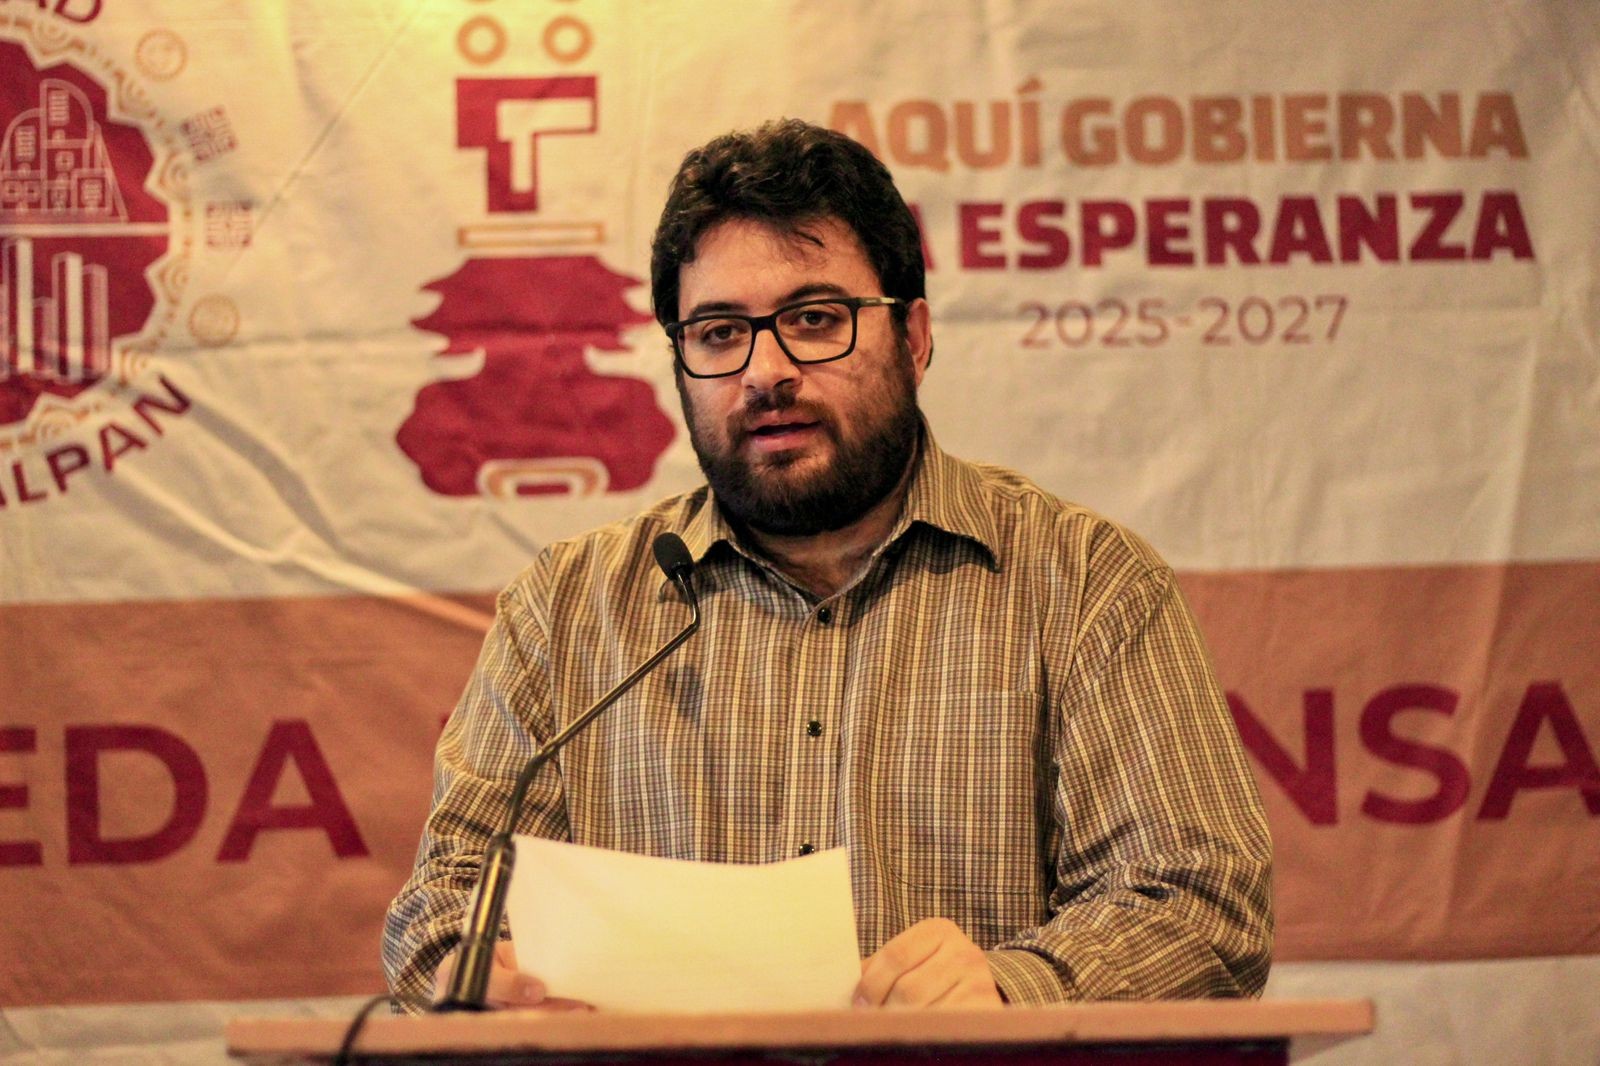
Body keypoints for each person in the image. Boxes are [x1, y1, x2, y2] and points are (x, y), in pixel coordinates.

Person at [382, 118, 1272, 1013]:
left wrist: (1012, 990)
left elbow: (1201, 903)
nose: (765, 372)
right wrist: (482, 978)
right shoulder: (569, 608)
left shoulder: (1082, 582)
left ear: (913, 337)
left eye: (814, 320)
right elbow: (441, 913)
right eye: (719, 333)